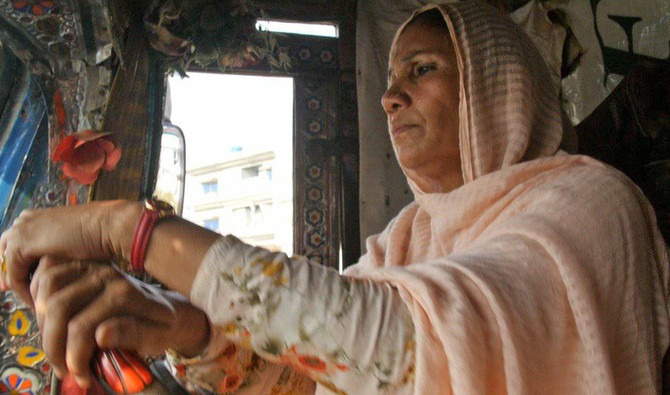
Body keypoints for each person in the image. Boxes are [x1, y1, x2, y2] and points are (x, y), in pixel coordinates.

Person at [2, 2, 669, 394]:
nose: (390, 96)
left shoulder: (591, 203)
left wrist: (132, 230)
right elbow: (318, 376)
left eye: (423, 70)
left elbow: (414, 347)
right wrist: (190, 327)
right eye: (389, 77)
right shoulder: (407, 238)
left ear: (500, 88)